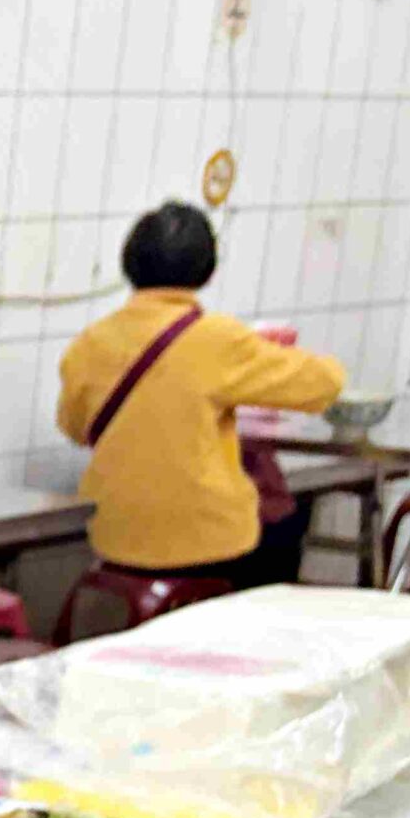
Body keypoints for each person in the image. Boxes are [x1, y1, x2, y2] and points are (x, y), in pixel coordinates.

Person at [57, 201, 347, 589]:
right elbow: (324, 385)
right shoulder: (217, 339)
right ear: (206, 269)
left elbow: (75, 428)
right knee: (287, 517)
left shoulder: (90, 342)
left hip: (114, 534)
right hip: (207, 543)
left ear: (130, 263)